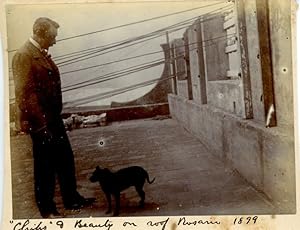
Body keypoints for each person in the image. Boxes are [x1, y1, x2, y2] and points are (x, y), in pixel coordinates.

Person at [12, 17, 95, 218]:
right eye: (53, 36)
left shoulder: (40, 54)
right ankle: (47, 209)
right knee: (45, 166)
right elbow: (25, 94)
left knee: (65, 159)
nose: (55, 41)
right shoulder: (24, 56)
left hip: (53, 119)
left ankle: (71, 198)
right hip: (41, 122)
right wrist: (40, 125)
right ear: (41, 33)